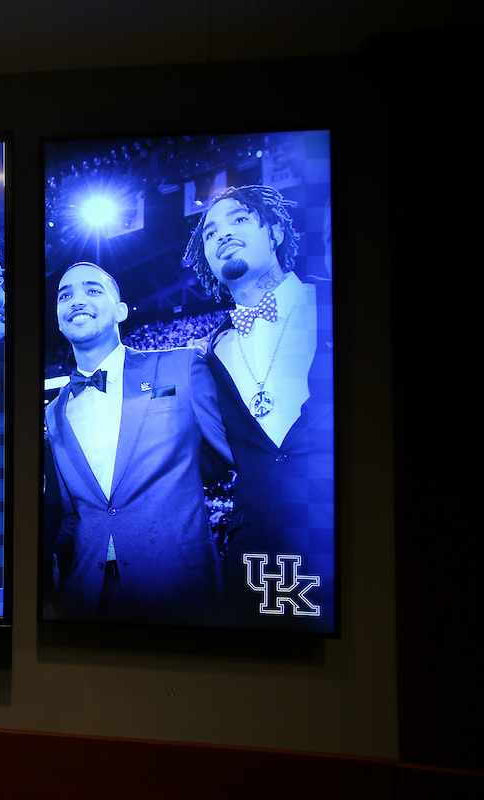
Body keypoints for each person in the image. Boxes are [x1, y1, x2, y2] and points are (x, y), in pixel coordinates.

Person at [43, 262, 231, 625]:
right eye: (65, 295)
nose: (76, 300)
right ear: (59, 320)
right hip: (86, 597)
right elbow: (71, 514)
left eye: (93, 290)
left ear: (121, 310)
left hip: (179, 587)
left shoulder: (181, 368)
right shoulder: (55, 411)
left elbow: (228, 456)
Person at [184, 184, 333, 627]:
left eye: (240, 219)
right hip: (257, 553)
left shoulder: (334, 303)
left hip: (342, 535)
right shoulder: (211, 353)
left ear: (275, 233)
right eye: (210, 234)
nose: (222, 235)